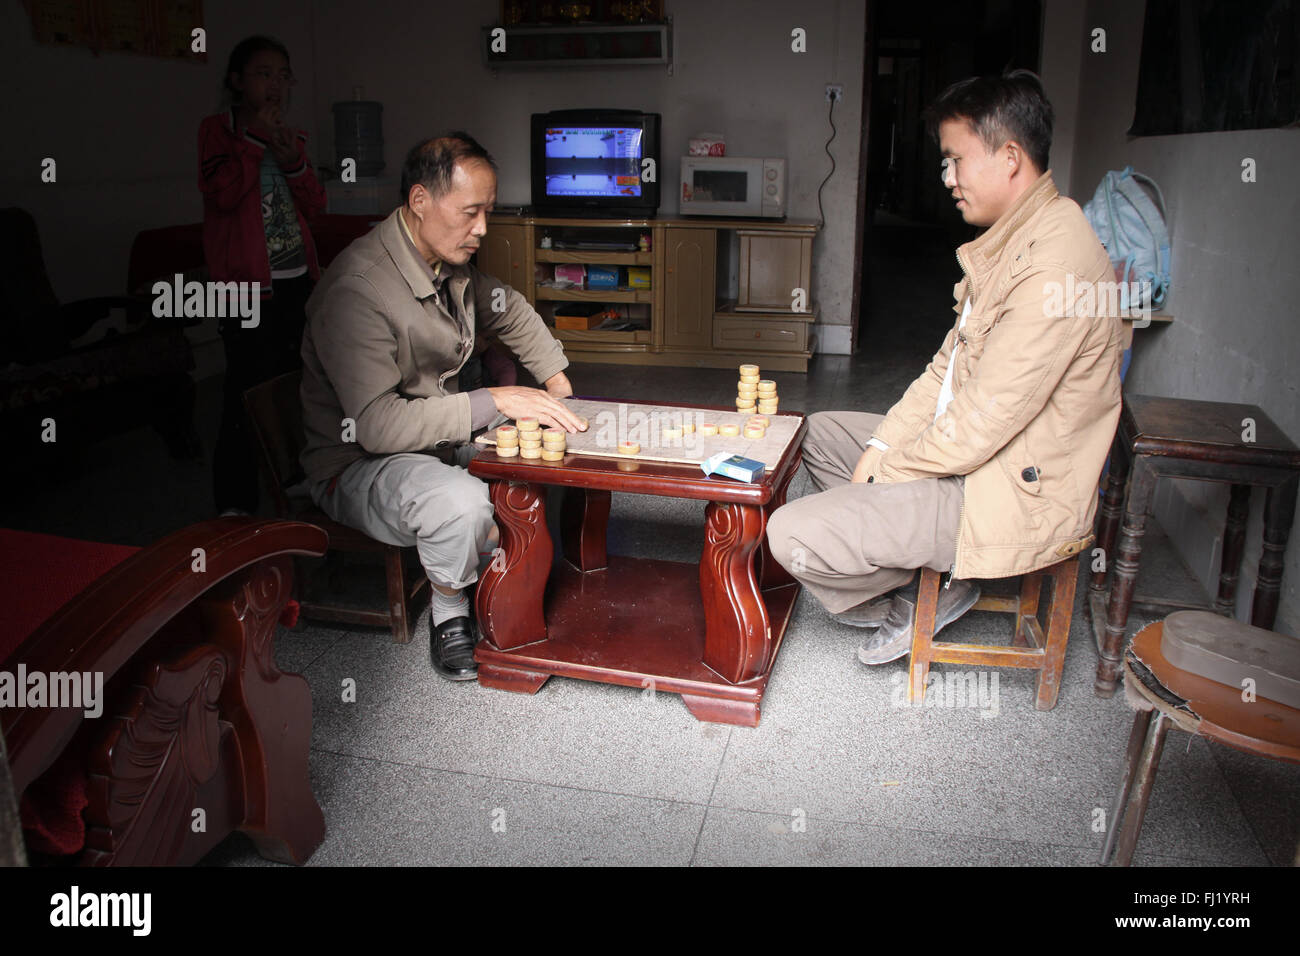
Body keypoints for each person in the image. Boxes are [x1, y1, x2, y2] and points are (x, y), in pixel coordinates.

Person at [767, 70, 1124, 667]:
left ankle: (918, 593)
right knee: (819, 433)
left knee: (790, 535)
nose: (949, 179)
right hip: (970, 456)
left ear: (1010, 157)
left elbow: (983, 424)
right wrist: (882, 443)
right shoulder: (1013, 240)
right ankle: (917, 575)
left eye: (956, 161)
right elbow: (945, 371)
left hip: (1001, 487)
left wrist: (886, 471)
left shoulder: (1054, 264)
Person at [299, 133, 584, 681]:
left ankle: (521, 561)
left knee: (552, 439)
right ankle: (450, 610)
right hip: (362, 460)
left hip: (435, 435)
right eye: (470, 212)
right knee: (462, 504)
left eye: (488, 213)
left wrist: (558, 385)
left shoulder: (450, 263)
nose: (481, 229)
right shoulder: (357, 289)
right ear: (420, 201)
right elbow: (376, 427)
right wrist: (495, 398)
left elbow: (510, 310)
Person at [199, 35, 325, 516]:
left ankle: (295, 482)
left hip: (295, 279)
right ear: (236, 81)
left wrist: (291, 158)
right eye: (262, 74)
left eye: (282, 75)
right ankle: (234, 506)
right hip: (244, 290)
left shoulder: (289, 137)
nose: (275, 85)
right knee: (244, 393)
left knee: (296, 383)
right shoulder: (216, 132)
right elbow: (224, 195)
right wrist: (254, 139)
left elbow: (315, 205)